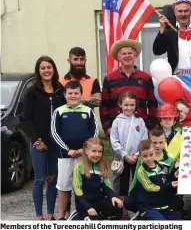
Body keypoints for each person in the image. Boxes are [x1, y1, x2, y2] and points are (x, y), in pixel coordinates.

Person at [22, 56, 66, 221]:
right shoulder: (31, 92)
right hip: (38, 143)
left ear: (53, 69)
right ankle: (39, 216)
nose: (46, 70)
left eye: (49, 67)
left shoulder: (60, 90)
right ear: (38, 71)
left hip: (56, 143)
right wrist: (37, 140)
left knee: (53, 179)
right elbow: (26, 118)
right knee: (40, 179)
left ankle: (50, 214)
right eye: (43, 68)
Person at [51, 80, 99, 220]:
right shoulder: (59, 112)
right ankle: (61, 217)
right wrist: (67, 150)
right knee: (64, 186)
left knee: (86, 185)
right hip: (65, 156)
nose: (73, 96)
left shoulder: (88, 111)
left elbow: (95, 133)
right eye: (70, 93)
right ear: (65, 95)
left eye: (76, 93)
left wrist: (85, 150)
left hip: (85, 156)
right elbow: (54, 133)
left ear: (81, 94)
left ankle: (85, 214)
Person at [100, 39, 158, 136]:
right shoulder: (109, 78)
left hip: (141, 129)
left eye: (130, 53)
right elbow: (104, 106)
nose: (127, 56)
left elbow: (152, 104)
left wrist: (150, 126)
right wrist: (107, 128)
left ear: (135, 55)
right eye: (124, 54)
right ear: (118, 57)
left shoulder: (146, 78)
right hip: (117, 129)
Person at [72, 137, 124, 220]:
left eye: (100, 151)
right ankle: (77, 217)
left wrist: (113, 196)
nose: (97, 154)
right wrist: (88, 207)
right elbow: (77, 190)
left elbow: (106, 186)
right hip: (85, 204)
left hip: (98, 201)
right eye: (94, 151)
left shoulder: (102, 166)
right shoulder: (79, 167)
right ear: (86, 151)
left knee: (118, 206)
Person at [110, 91, 148, 200]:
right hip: (123, 158)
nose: (129, 108)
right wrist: (124, 155)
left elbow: (144, 139)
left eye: (132, 105)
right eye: (126, 105)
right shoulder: (117, 121)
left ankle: (138, 204)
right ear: (120, 105)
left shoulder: (139, 121)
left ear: (136, 105)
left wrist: (137, 154)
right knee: (122, 183)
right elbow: (114, 141)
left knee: (139, 180)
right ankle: (123, 209)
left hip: (137, 157)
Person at [132, 140, 180, 220]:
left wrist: (175, 174)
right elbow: (150, 187)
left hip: (163, 205)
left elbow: (166, 180)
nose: (148, 158)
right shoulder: (141, 171)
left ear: (155, 153)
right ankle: (142, 219)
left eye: (151, 155)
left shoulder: (161, 167)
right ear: (140, 156)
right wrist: (168, 185)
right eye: (145, 156)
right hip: (148, 206)